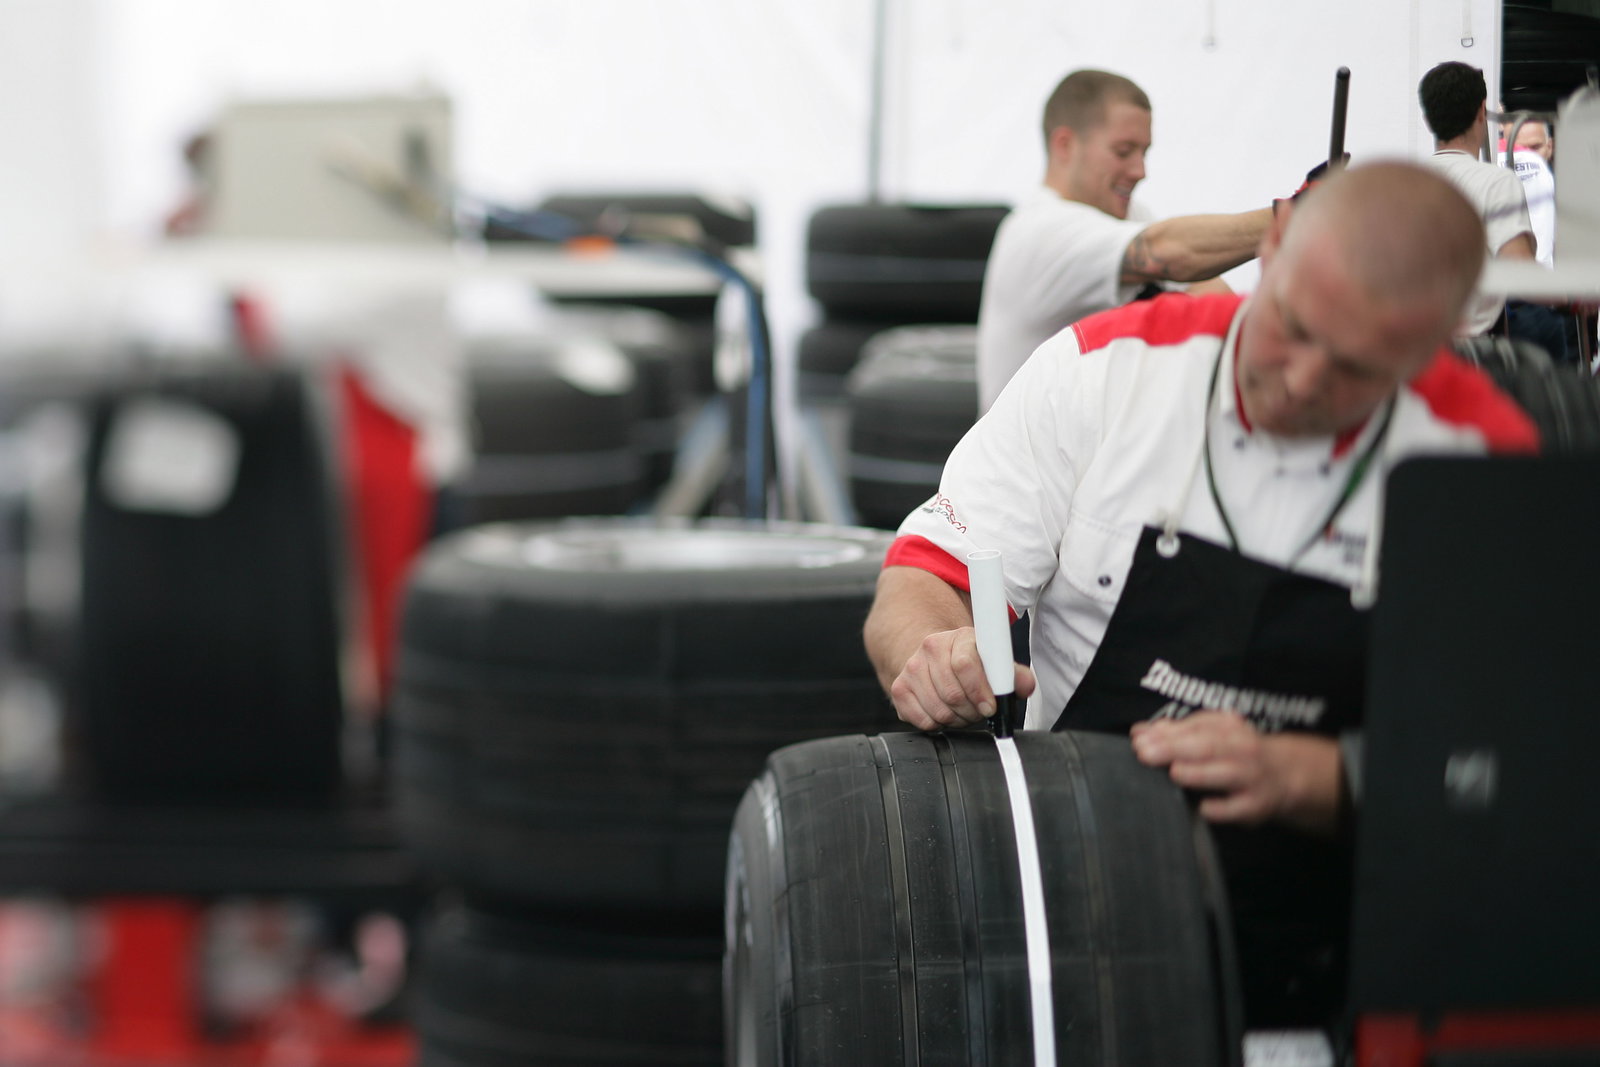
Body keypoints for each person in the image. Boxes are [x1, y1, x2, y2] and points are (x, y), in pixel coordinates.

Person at [863, 161, 1539, 1027]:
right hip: (1083, 896)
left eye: (1356, 367)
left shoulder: (1482, 459)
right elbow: (929, 573)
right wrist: (935, 654)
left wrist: (1311, 776)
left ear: (1434, 342)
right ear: (1276, 247)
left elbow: (1508, 761)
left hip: (1343, 927)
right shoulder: (1107, 371)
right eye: (1294, 327)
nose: (1302, 380)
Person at [975, 69, 1276, 411]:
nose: (1140, 171)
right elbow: (1168, 252)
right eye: (1123, 151)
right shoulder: (1038, 232)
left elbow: (1215, 300)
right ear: (1065, 145)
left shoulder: (1126, 215)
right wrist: (1290, 217)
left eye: (1144, 152)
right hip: (1032, 447)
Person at [1418, 62, 1536, 337]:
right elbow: (1521, 271)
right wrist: (1570, 295)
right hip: (1466, 348)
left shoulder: (1404, 183)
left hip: (1406, 351)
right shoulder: (1496, 182)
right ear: (1482, 111)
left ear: (1427, 120)